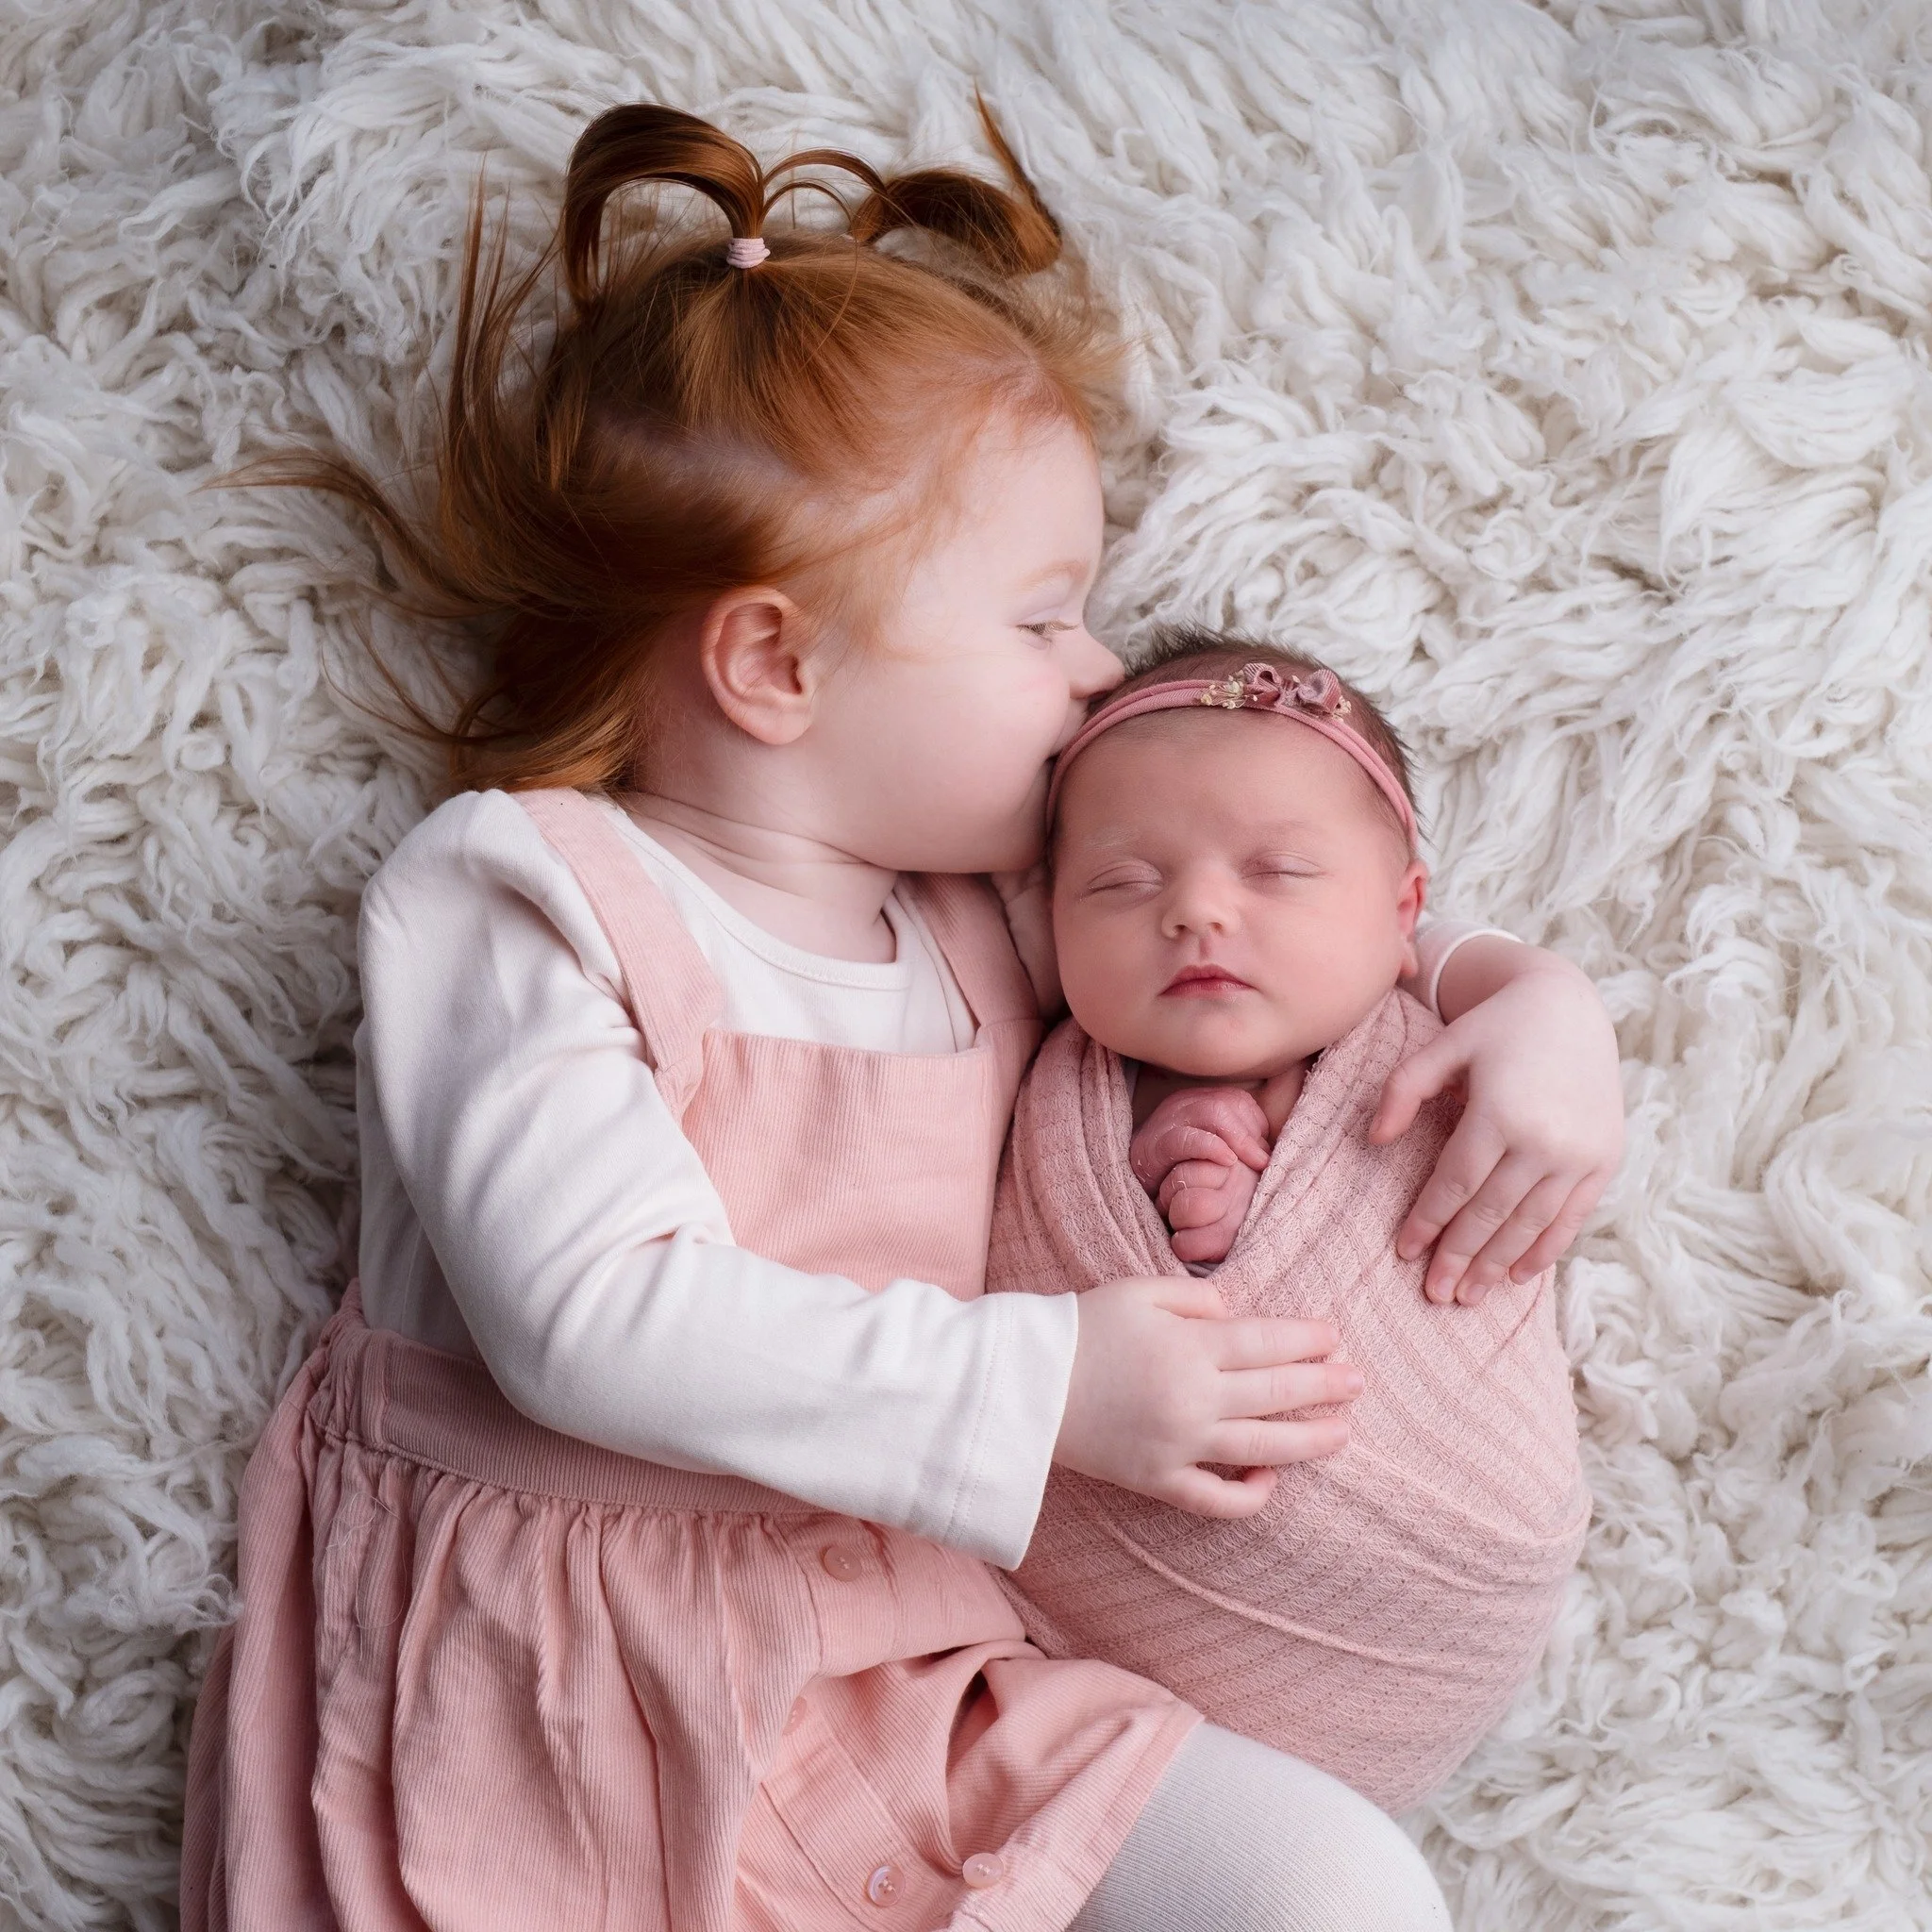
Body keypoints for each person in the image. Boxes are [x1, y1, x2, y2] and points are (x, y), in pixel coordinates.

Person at [179, 99, 1623, 1932]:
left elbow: (1259, 930)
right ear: (776, 662)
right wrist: (1046, 1386)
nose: (1103, 676)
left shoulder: (987, 928)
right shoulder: (522, 897)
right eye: (1044, 621)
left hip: (909, 1664)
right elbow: (588, 1320)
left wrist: (1523, 1000)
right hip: (548, 1702)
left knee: (1335, 1885)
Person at [989, 632, 1594, 1814]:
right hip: (1057, 1637)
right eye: (1119, 882)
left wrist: (1545, 996)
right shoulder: (1043, 1086)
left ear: (1402, 911)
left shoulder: (1442, 1046)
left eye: (1276, 872)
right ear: (1046, 921)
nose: (1197, 911)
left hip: (1415, 1587)